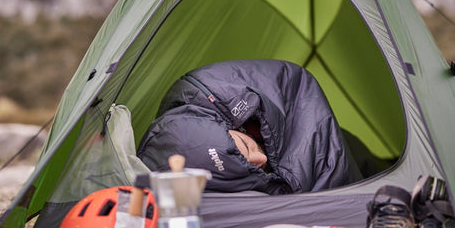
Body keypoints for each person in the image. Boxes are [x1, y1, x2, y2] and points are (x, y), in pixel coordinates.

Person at [137, 59, 362, 194]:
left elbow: (296, 86)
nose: (262, 159)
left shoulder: (214, 93)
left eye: (247, 145)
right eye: (255, 169)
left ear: (226, 125)